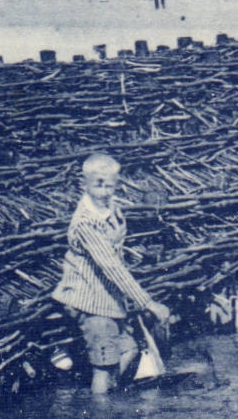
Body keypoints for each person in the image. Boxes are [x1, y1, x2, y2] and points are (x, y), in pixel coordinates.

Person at [51, 153, 173, 395]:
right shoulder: (85, 223)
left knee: (129, 350)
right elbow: (111, 266)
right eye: (98, 183)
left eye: (110, 184)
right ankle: (101, 416)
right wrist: (147, 302)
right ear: (83, 183)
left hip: (109, 301)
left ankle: (109, 397)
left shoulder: (110, 211)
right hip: (91, 302)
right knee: (103, 367)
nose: (105, 190)